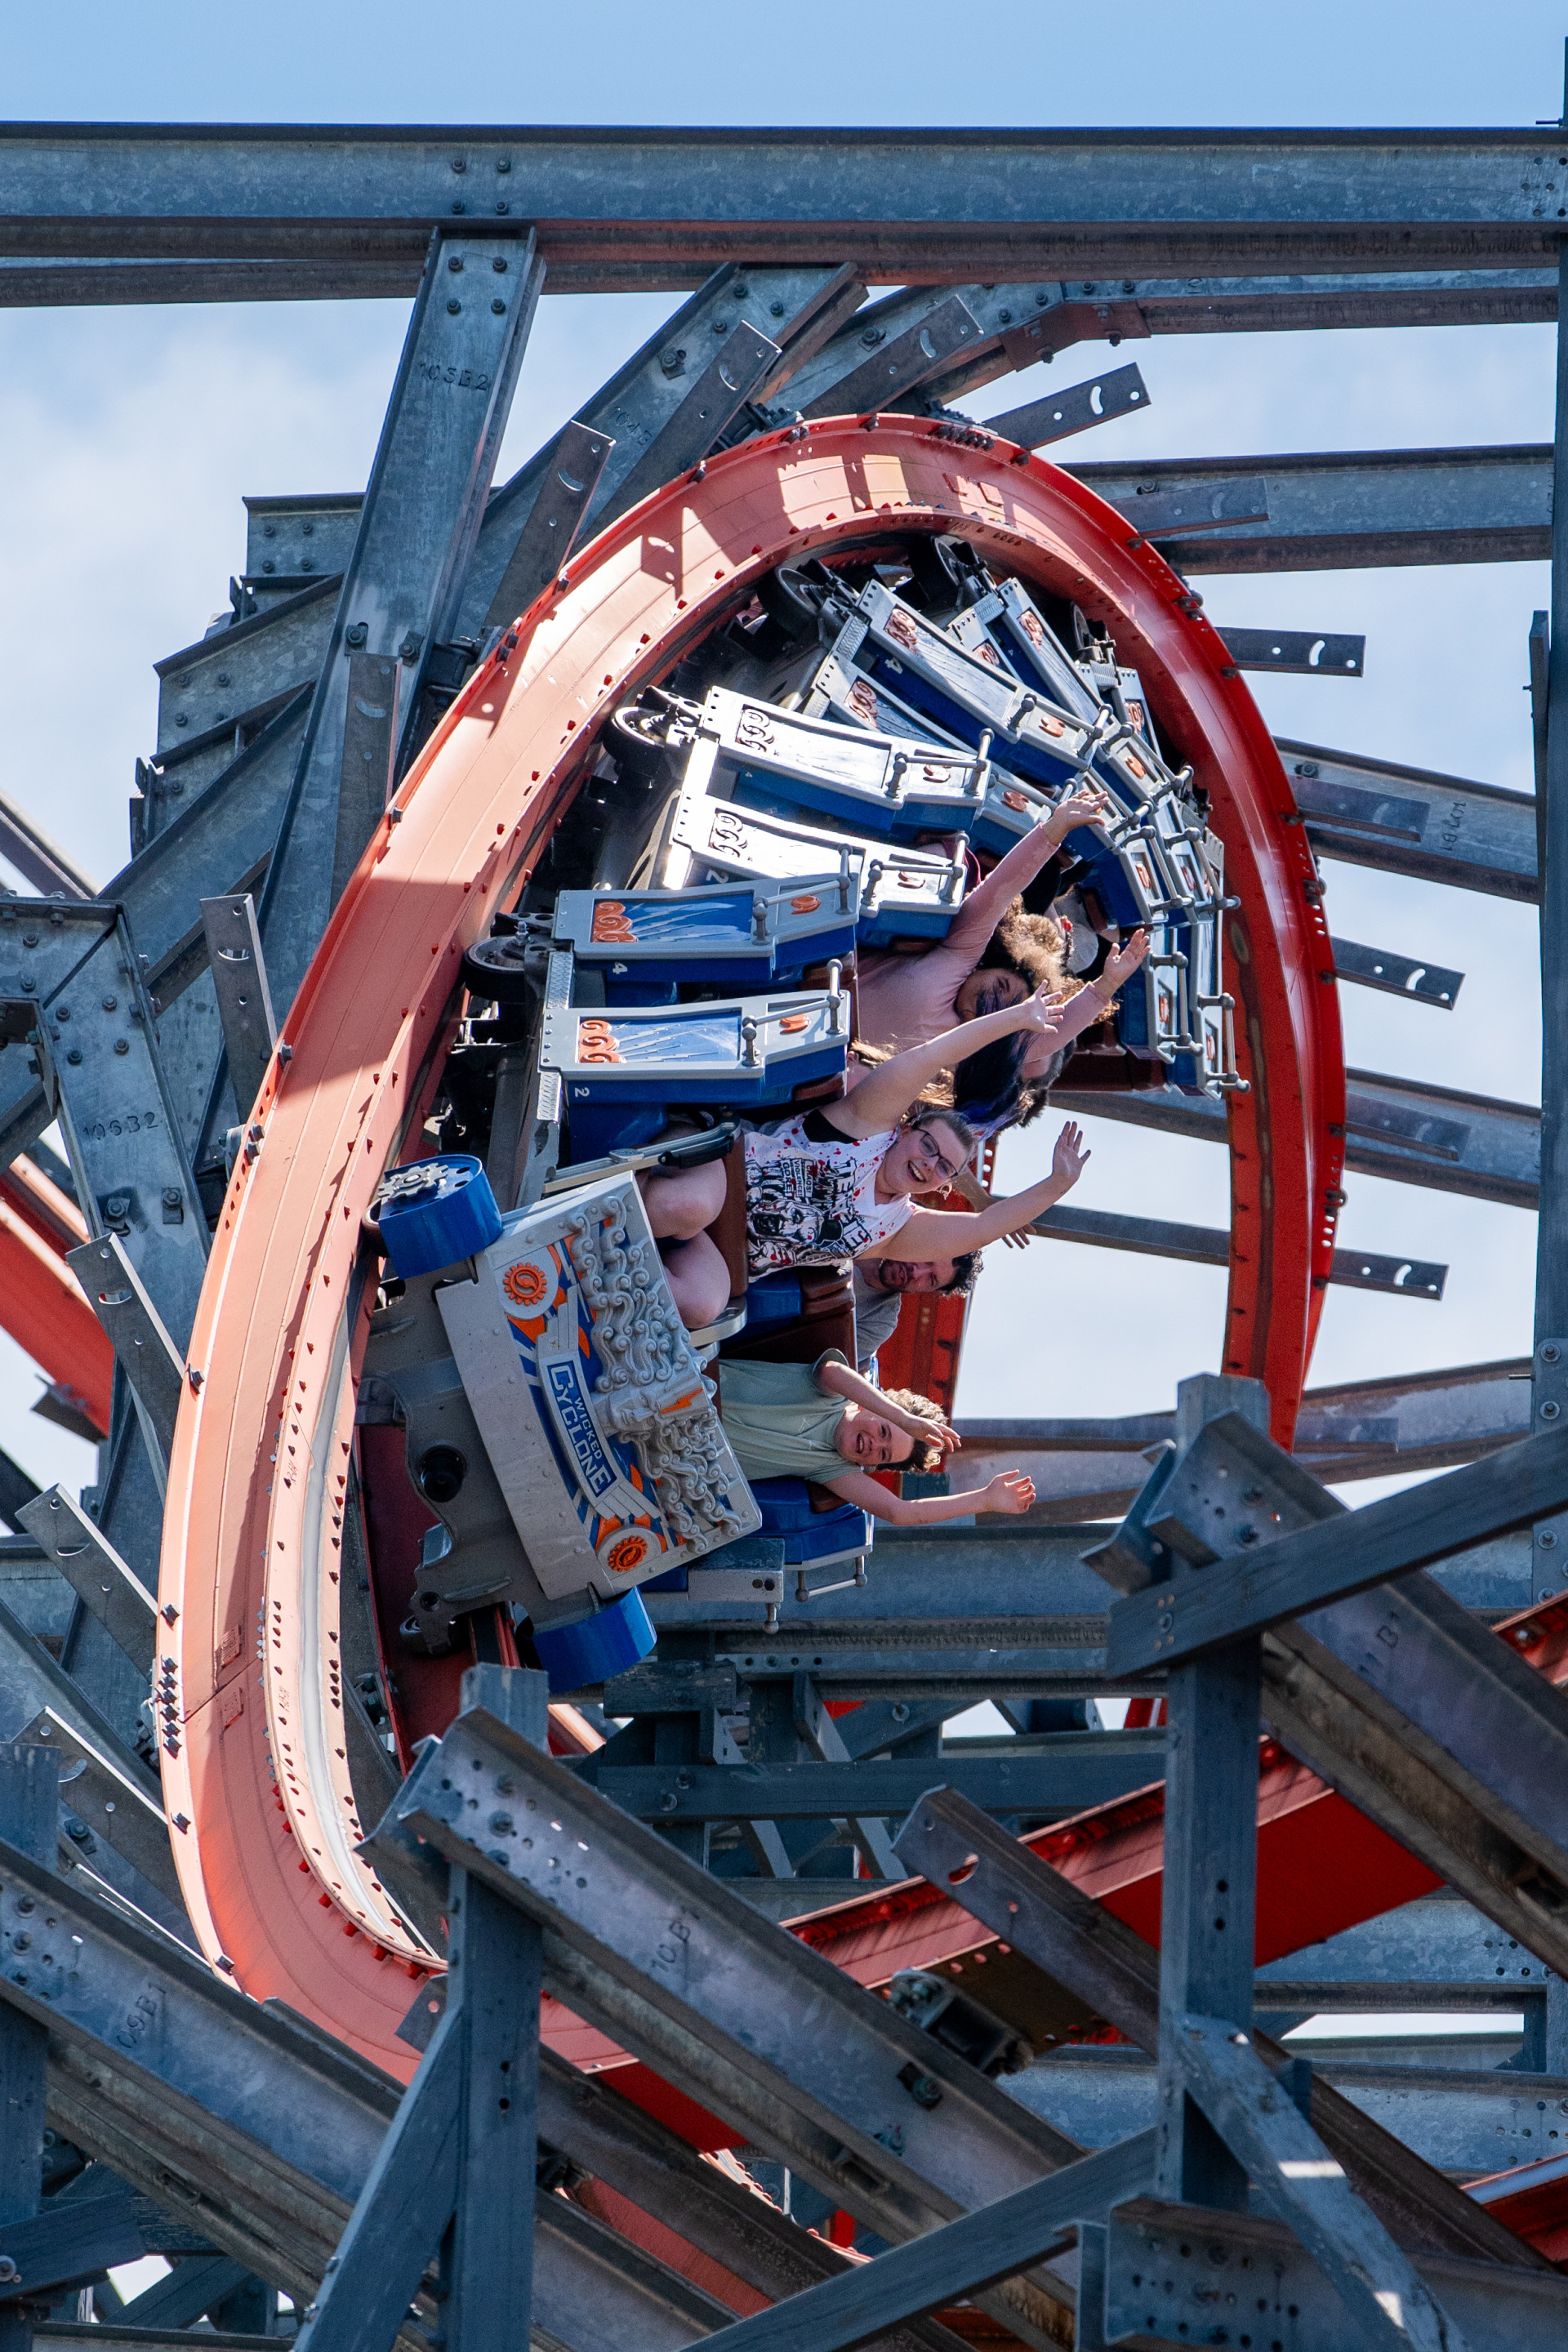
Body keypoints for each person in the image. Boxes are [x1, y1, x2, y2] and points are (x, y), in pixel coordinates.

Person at [641, 973, 1098, 1326]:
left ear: (942, 1185)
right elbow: (931, 1058)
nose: (928, 1163)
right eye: (928, 1146)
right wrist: (1016, 1019)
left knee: (702, 1305)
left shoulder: (896, 1230)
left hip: (726, 1248)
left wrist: (1057, 1184)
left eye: (943, 1167)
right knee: (684, 1204)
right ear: (906, 1130)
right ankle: (596, 1197)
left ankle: (592, 1275)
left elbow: (984, 1226)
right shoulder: (866, 1127)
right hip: (717, 1166)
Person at [853, 782, 1133, 1081]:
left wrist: (1105, 987)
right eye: (1000, 987)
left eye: (1007, 1008)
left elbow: (1044, 1041)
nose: (992, 1003)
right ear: (990, 967)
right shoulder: (957, 959)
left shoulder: (966, 1045)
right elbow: (1002, 888)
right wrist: (1054, 828)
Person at [713, 1348, 1035, 1526]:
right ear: (869, 1405)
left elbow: (902, 1512)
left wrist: (985, 1500)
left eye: (882, 1455)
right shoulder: (831, 1393)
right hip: (683, 1390)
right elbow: (833, 1372)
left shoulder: (832, 1469)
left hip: (686, 1453)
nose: (874, 1445)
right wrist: (904, 1420)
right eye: (883, 1431)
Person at [852, 1254, 978, 1369]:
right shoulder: (866, 1231)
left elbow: (835, 1363)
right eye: (927, 1260)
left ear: (931, 1291)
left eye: (931, 1279)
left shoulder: (880, 1320)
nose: (917, 1273)